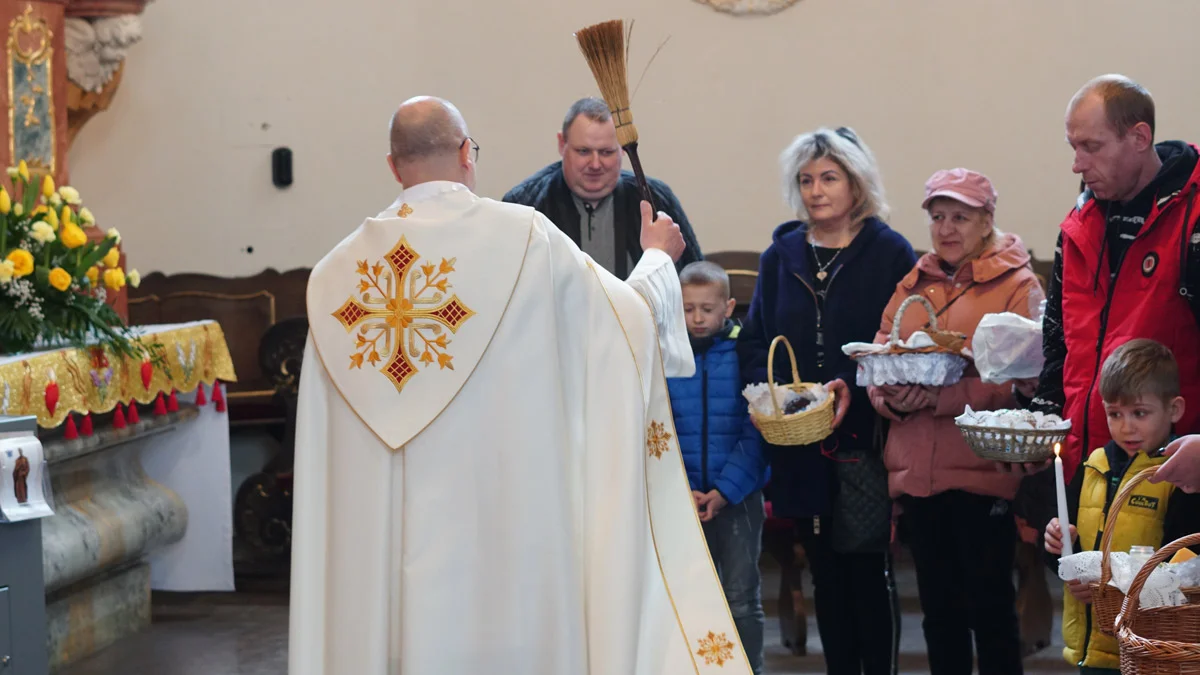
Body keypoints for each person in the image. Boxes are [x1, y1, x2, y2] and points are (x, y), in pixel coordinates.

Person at [289, 96, 753, 675]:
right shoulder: (524, 237)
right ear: (466, 154)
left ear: (392, 166)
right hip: (503, 517)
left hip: (384, 538)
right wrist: (658, 259)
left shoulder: (336, 277)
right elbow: (620, 324)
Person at [739, 126, 915, 675]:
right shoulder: (781, 254)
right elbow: (755, 339)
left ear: (855, 183)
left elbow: (902, 345)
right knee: (824, 572)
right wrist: (761, 394)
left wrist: (848, 382)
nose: (816, 191)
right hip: (798, 442)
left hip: (863, 438)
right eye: (806, 180)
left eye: (829, 178)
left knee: (867, 570)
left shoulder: (888, 251)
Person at [870, 168, 1043, 675]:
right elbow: (879, 358)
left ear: (987, 219)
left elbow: (1020, 379)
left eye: (960, 217)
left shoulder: (1017, 284)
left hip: (983, 474)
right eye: (938, 216)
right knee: (939, 614)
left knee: (989, 610)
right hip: (918, 477)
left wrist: (937, 399)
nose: (946, 228)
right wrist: (894, 401)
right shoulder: (913, 284)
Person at [1029, 74, 1200, 486]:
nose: (1077, 164)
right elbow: (1058, 341)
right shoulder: (1079, 223)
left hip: (1172, 477)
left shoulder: (1193, 219)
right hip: (1083, 470)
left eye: (1091, 147)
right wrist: (1042, 418)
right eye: (1073, 147)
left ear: (1139, 137)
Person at [1044, 339, 1200, 674]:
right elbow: (1066, 547)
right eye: (1114, 413)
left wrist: (1106, 587)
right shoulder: (1094, 465)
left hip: (1149, 647)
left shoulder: (1180, 475)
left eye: (1139, 413)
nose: (1126, 427)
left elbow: (1183, 569)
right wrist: (1057, 543)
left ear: (1174, 410)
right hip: (1089, 643)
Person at [666, 261, 768, 675]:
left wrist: (727, 489)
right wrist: (680, 488)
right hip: (682, 498)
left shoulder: (746, 354)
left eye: (707, 309)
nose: (697, 318)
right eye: (688, 308)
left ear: (728, 307)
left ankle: (749, 668)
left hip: (739, 496)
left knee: (742, 596)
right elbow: (659, 426)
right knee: (686, 594)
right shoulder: (667, 355)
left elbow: (758, 427)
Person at [502, 97, 702, 277]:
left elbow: (697, 283)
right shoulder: (524, 205)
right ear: (562, 144)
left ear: (623, 149)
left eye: (606, 152)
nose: (595, 164)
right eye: (583, 151)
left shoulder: (655, 198)